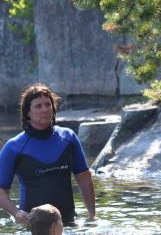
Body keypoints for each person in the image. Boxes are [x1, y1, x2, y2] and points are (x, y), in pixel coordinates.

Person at [0, 83, 96, 226]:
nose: (44, 109)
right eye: (38, 106)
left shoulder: (68, 138)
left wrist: (92, 216)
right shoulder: (14, 147)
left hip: (68, 223)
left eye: (47, 104)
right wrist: (16, 213)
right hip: (32, 227)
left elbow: (83, 177)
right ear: (27, 112)